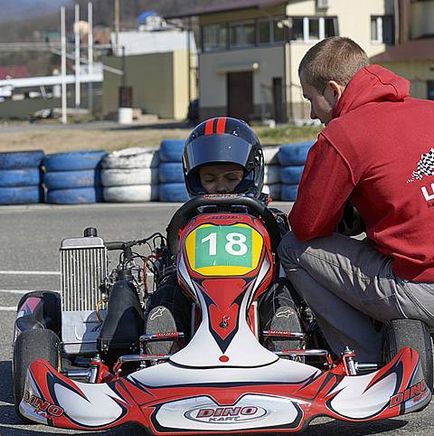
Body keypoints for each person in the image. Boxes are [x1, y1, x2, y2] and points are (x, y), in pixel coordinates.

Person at [277, 36, 434, 363]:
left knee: (293, 248)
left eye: (311, 99)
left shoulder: (343, 134)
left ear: (333, 90)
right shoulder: (429, 110)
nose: (311, 113)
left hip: (422, 288)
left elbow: (307, 225)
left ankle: (367, 360)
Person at [145, 116, 301, 354]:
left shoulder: (270, 218)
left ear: (251, 174)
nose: (221, 187)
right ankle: (164, 340)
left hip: (258, 292)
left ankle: (283, 337)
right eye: (209, 179)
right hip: (197, 294)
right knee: (169, 289)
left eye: (231, 178)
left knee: (283, 289)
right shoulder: (187, 219)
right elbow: (172, 261)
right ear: (194, 178)